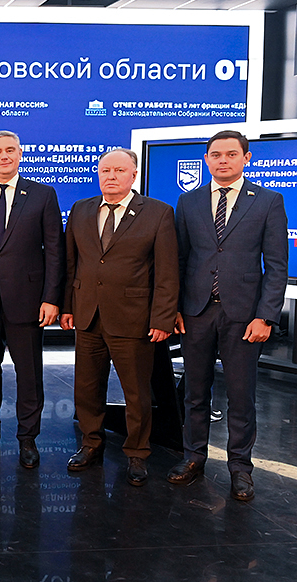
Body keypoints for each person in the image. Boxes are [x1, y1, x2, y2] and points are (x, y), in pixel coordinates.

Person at [168, 130, 288, 502]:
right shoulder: (188, 201)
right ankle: (193, 457)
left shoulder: (268, 201)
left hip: (245, 315)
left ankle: (240, 469)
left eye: (231, 154)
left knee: (241, 396)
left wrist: (266, 316)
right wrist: (174, 308)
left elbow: (277, 266)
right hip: (196, 312)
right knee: (194, 393)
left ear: (246, 158)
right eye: (216, 154)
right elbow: (180, 260)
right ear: (206, 159)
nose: (223, 160)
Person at [60, 148, 178, 487]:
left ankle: (137, 452)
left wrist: (162, 318)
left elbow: (167, 271)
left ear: (133, 175)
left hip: (134, 318)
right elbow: (71, 264)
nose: (111, 176)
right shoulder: (81, 209)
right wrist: (67, 306)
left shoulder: (158, 213)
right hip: (87, 315)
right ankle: (91, 443)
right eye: (105, 170)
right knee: (86, 387)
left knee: (136, 392)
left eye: (119, 170)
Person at [0, 130, 65, 469]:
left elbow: (55, 251)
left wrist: (51, 298)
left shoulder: (43, 194)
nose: (3, 156)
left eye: (10, 150)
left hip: (28, 301)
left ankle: (27, 438)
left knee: (28, 373)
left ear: (20, 154)